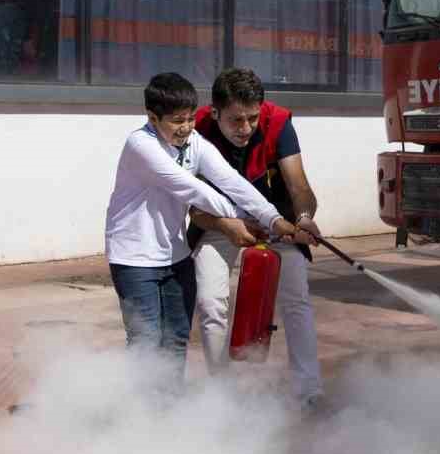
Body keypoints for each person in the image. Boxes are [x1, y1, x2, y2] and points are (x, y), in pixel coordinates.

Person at [105, 72, 306, 368]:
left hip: (175, 256)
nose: (185, 128)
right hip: (135, 260)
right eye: (176, 121)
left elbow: (233, 183)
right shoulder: (141, 145)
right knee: (145, 341)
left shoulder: (194, 143)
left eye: (189, 119)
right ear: (152, 117)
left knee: (175, 339)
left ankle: (170, 408)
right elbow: (194, 191)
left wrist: (274, 220)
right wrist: (244, 219)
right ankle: (140, 412)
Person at [188, 68, 325, 407]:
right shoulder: (196, 129)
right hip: (219, 222)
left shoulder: (278, 122)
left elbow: (300, 187)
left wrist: (304, 219)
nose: (246, 129)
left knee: (296, 300)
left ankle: (309, 392)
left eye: (252, 118)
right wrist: (227, 226)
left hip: (277, 220)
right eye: (236, 120)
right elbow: (193, 210)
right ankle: (223, 395)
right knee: (209, 303)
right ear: (215, 113)